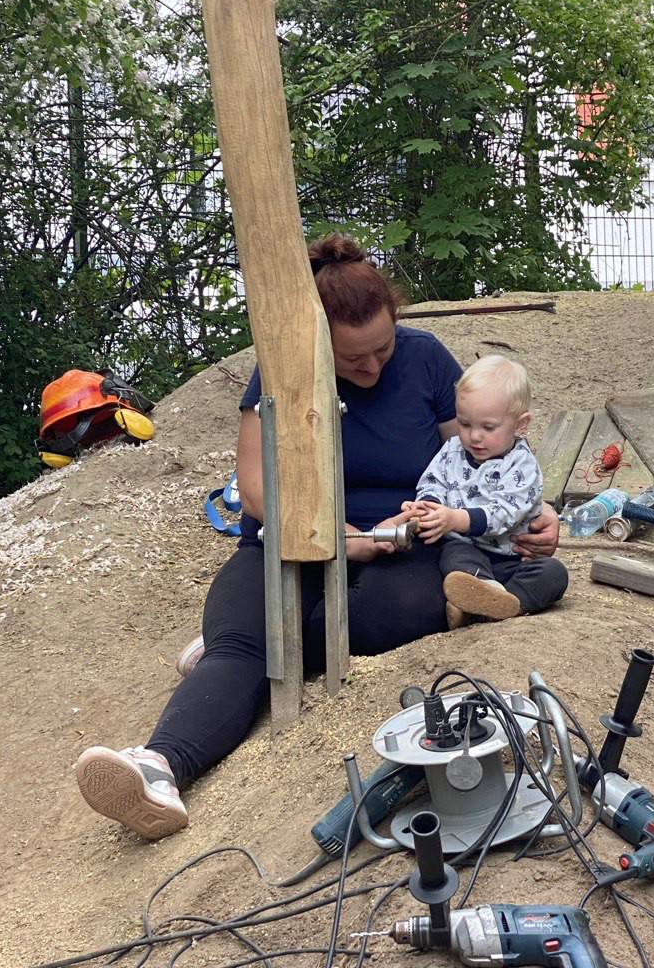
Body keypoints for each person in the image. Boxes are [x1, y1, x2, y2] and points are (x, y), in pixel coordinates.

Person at [75, 233, 562, 839]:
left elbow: (483, 452)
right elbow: (255, 492)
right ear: (315, 341)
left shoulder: (428, 359)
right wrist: (340, 538)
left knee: (384, 614)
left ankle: (241, 654)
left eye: (383, 347)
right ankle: (158, 767)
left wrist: (535, 513)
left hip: (404, 545)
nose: (373, 367)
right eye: (353, 357)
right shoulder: (279, 370)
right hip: (290, 541)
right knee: (250, 645)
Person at [403, 355, 568, 630]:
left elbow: (505, 512)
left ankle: (506, 603)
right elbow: (433, 481)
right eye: (465, 424)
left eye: (488, 427)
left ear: (519, 424)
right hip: (468, 551)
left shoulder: (522, 465)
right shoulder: (453, 449)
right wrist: (427, 506)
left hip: (512, 557)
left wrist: (456, 518)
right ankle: (480, 595)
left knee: (553, 573)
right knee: (454, 555)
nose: (474, 436)